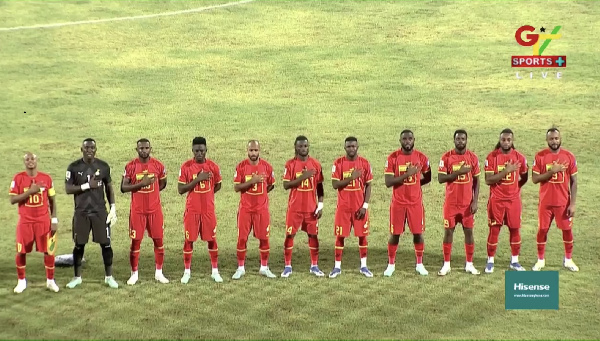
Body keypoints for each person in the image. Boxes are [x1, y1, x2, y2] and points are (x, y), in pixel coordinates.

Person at [65, 138, 119, 288]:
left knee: (106, 245)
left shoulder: (103, 166)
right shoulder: (74, 167)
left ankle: (109, 277)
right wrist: (87, 185)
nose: (89, 150)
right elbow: (68, 189)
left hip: (100, 212)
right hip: (81, 212)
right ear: (81, 149)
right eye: (86, 148)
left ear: (96, 150)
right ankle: (77, 277)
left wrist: (113, 207)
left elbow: (109, 188)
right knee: (79, 245)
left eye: (92, 148)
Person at [383, 130, 432, 276]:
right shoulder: (393, 158)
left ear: (414, 140)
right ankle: (391, 264)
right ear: (400, 141)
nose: (407, 141)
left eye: (410, 139)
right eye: (404, 139)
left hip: (415, 203)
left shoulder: (421, 157)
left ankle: (419, 264)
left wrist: (416, 183)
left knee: (418, 233)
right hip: (398, 203)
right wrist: (407, 175)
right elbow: (388, 182)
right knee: (395, 234)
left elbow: (428, 177)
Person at [9, 152, 60, 293]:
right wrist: (30, 192)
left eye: (32, 159)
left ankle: (50, 281)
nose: (30, 161)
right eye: (27, 159)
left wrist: (54, 219)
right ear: (24, 162)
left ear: (37, 160)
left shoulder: (46, 178)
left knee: (48, 252)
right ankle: (21, 281)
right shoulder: (18, 178)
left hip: (43, 222)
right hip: (25, 222)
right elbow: (12, 200)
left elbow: (53, 200)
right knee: (21, 252)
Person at [121, 138, 169, 285]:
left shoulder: (158, 166)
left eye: (146, 148)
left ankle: (159, 273)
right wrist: (142, 184)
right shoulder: (130, 167)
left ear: (150, 148)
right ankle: (134, 274)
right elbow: (123, 188)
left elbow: (162, 183)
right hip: (137, 212)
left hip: (155, 211)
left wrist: (151, 195)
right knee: (136, 242)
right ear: (137, 150)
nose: (144, 150)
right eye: (141, 148)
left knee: (158, 240)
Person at [531, 128, 579, 271]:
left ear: (560, 139)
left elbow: (574, 181)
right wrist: (552, 171)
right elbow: (534, 179)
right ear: (547, 140)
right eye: (551, 139)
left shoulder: (569, 156)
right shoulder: (540, 156)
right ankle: (540, 260)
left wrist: (573, 203)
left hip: (563, 203)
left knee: (567, 230)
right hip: (545, 203)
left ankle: (568, 259)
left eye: (556, 138)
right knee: (542, 230)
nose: (554, 141)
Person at [178, 137, 223, 283]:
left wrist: (208, 195)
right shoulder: (186, 167)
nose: (199, 153)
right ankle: (187, 272)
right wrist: (198, 179)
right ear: (192, 150)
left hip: (208, 211)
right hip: (192, 211)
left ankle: (215, 271)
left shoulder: (213, 167)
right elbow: (181, 189)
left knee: (212, 240)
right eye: (196, 150)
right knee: (189, 240)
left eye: (202, 151)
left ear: (206, 151)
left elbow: (217, 185)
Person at [437, 130, 481, 276]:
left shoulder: (472, 158)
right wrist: (459, 172)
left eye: (463, 139)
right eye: (458, 139)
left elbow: (476, 180)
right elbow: (441, 178)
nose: (460, 141)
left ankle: (469, 264)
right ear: (454, 140)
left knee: (468, 232)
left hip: (467, 204)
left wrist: (475, 201)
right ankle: (446, 264)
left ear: (466, 140)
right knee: (448, 232)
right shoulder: (447, 157)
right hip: (451, 204)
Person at [484, 129, 528, 273]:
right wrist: (506, 172)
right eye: (503, 139)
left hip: (513, 202)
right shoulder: (491, 157)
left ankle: (514, 261)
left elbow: (525, 176)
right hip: (496, 201)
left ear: (512, 141)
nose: (506, 142)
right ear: (500, 140)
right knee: (494, 230)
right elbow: (488, 180)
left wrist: (516, 188)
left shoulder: (520, 158)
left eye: (509, 140)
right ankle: (490, 260)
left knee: (515, 229)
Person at [281, 136, 325, 278]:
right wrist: (303, 177)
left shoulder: (316, 164)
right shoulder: (290, 165)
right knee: (290, 235)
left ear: (308, 146)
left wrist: (321, 205)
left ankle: (314, 265)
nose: (303, 149)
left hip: (311, 209)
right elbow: (286, 185)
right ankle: (287, 266)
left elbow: (319, 186)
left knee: (313, 236)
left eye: (305, 146)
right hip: (294, 208)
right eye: (300, 146)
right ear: (295, 147)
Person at [329, 136, 373, 278]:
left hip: (359, 208)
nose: (351, 149)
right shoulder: (338, 163)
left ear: (357, 147)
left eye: (353, 146)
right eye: (348, 146)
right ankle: (337, 267)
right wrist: (351, 178)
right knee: (340, 236)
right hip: (343, 208)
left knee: (362, 236)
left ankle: (364, 266)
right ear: (345, 148)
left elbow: (368, 185)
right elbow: (335, 185)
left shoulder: (365, 163)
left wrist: (364, 206)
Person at [232, 140, 276, 280]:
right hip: (245, 209)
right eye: (251, 150)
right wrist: (252, 181)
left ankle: (264, 267)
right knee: (242, 238)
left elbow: (270, 185)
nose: (253, 153)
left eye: (255, 150)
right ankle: (240, 268)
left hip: (261, 210)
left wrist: (261, 196)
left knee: (264, 238)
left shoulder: (267, 167)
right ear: (247, 151)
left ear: (259, 151)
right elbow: (237, 187)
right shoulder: (241, 167)